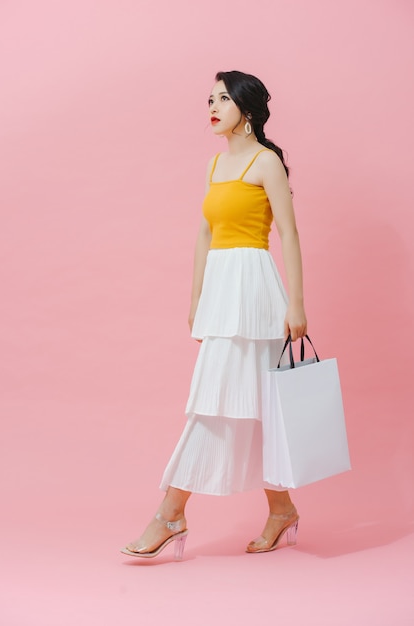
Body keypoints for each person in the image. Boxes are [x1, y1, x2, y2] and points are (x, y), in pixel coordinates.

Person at [121, 70, 307, 560]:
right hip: (222, 293)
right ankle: (281, 509)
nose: (213, 105)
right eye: (210, 98)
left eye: (223, 98)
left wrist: (297, 303)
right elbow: (204, 234)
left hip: (256, 292)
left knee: (239, 404)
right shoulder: (213, 166)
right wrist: (196, 298)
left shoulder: (268, 164)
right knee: (239, 404)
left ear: (245, 111)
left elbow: (288, 234)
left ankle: (169, 514)